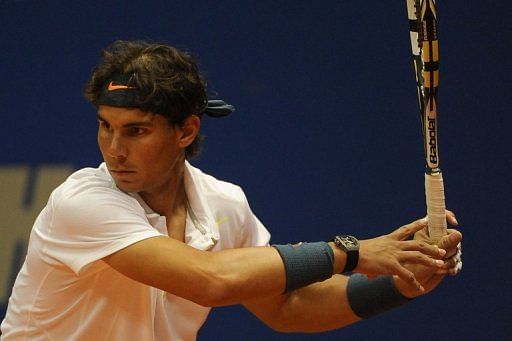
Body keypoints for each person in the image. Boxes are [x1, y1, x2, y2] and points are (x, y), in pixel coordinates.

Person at [0, 40, 462, 340]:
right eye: (106, 128)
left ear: (186, 131)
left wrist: (401, 284)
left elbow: (288, 305)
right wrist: (353, 252)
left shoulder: (223, 203)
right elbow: (210, 280)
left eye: (135, 131)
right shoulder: (81, 202)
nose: (114, 149)